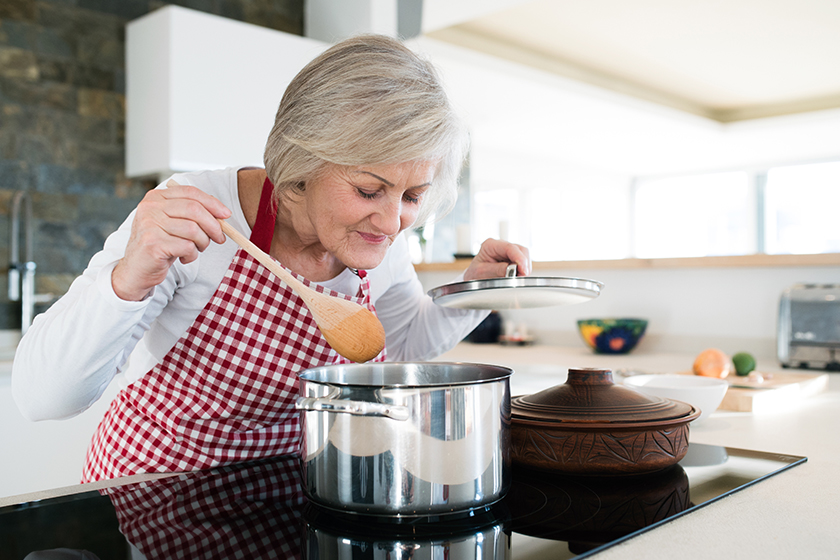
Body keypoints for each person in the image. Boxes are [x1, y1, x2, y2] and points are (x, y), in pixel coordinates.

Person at [11, 34, 531, 483]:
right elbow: (43, 398)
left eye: (413, 196)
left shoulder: (374, 241)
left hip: (292, 493)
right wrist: (128, 279)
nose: (393, 222)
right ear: (301, 163)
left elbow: (402, 342)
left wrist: (475, 290)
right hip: (158, 497)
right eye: (370, 190)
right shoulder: (194, 216)